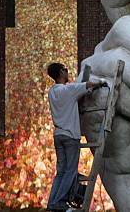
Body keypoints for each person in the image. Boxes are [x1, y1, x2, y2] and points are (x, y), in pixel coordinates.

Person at [46, 62, 105, 212]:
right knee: (70, 171)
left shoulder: (52, 91)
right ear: (61, 72)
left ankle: (52, 203)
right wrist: (102, 82)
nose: (67, 72)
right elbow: (89, 84)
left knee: (61, 171)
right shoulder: (68, 90)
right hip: (70, 136)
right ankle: (60, 203)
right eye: (65, 69)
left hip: (58, 135)